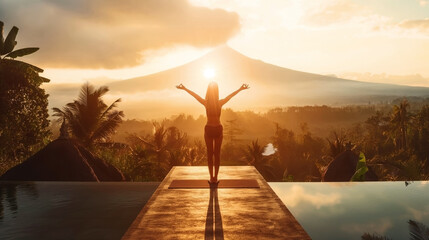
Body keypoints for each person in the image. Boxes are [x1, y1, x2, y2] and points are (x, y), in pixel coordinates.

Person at [176, 82, 249, 183]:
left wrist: (185, 88)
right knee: (216, 154)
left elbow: (195, 95)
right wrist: (240, 89)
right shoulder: (219, 103)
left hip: (209, 128)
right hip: (217, 129)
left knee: (210, 154)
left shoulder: (206, 103)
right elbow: (230, 96)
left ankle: (212, 178)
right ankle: (215, 178)